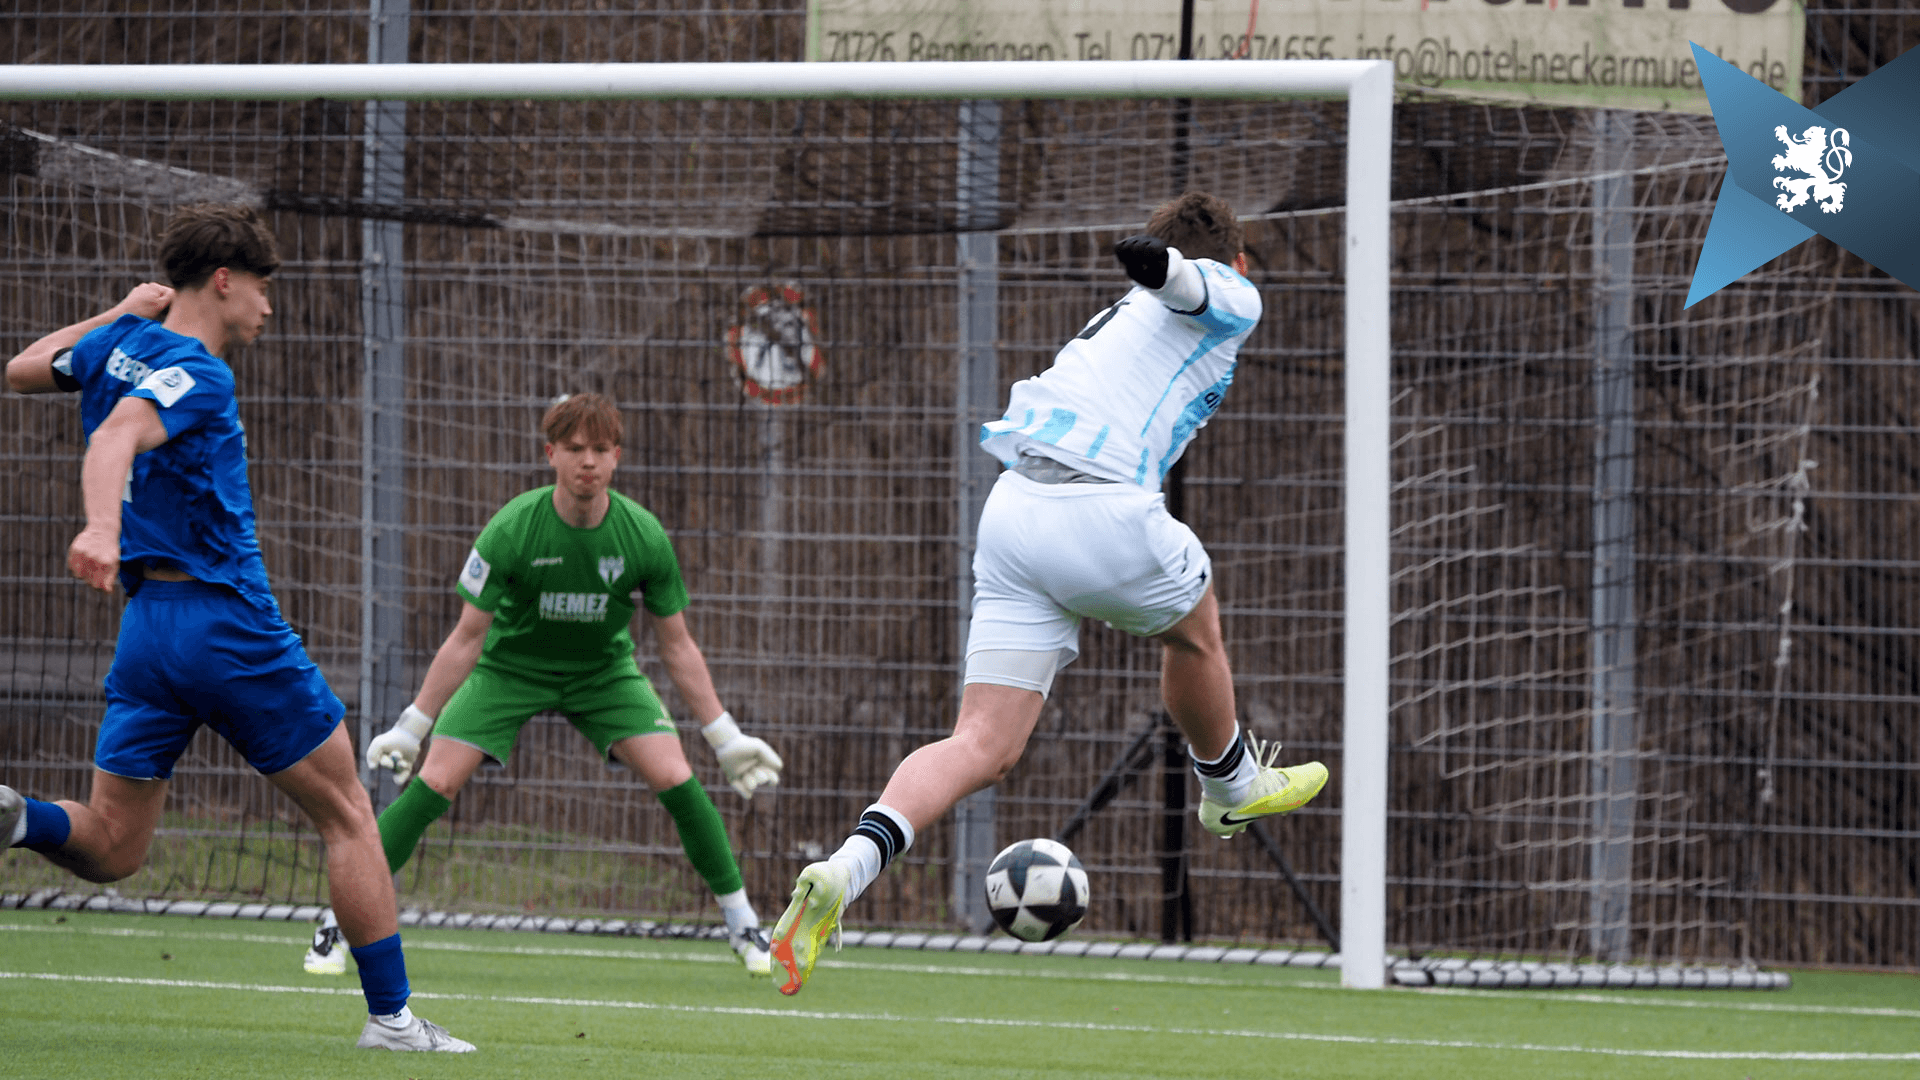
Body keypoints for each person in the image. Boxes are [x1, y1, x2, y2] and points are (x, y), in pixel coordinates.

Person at [767, 191, 1330, 995]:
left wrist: (1153, 268)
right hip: (1099, 511)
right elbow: (1192, 285)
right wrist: (1165, 264)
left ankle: (844, 870)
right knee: (1196, 630)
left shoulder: (1120, 320)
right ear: (1234, 257)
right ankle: (1232, 787)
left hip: (1016, 512)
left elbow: (1167, 289)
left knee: (980, 745)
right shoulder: (1225, 289)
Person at [1, 204, 473, 1052]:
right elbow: (114, 436)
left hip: (146, 632)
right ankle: (395, 1021)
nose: (267, 305)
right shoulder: (201, 373)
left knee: (112, 847)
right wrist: (100, 528)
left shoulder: (118, 346)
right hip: (225, 623)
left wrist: (119, 313)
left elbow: (22, 367)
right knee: (349, 814)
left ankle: (13, 818)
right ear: (223, 279)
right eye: (261, 286)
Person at [313, 391, 784, 977]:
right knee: (434, 781)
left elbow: (676, 644)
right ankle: (338, 923)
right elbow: (466, 638)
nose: (587, 461)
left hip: (604, 674)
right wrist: (413, 727)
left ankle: (745, 928)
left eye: (600, 449)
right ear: (551, 454)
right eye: (574, 448)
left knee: (676, 776)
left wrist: (726, 738)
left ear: (617, 457)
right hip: (509, 671)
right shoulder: (513, 528)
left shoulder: (642, 535)